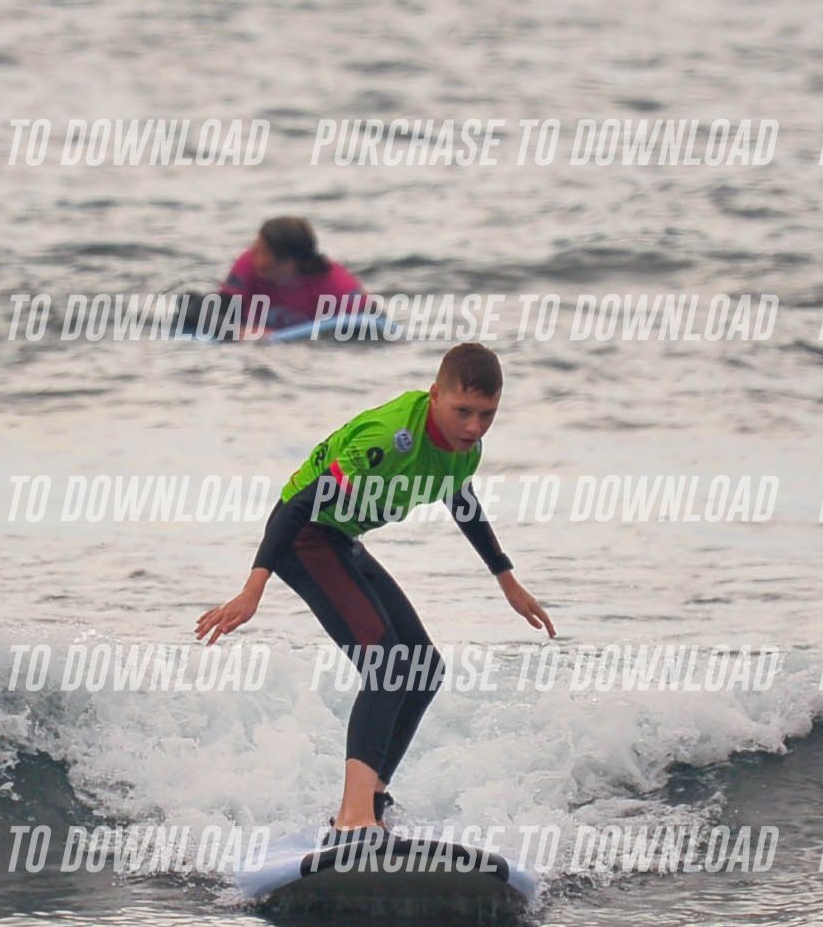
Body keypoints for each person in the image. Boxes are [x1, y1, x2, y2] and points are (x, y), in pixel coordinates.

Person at [195, 342, 554, 840]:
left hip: (341, 539)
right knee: (388, 665)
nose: (474, 427)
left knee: (423, 668)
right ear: (435, 396)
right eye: (463, 412)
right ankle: (353, 818)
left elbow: (460, 498)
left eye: (487, 414)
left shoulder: (464, 450)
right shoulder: (390, 439)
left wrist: (506, 579)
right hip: (305, 536)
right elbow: (297, 505)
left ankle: (374, 804)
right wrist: (253, 588)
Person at [218, 216, 367, 331]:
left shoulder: (336, 283)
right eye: (255, 248)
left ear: (289, 263)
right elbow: (214, 315)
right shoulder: (247, 265)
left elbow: (373, 323)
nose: (255, 258)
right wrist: (239, 332)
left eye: (263, 252)